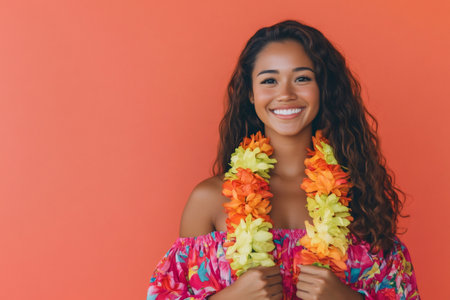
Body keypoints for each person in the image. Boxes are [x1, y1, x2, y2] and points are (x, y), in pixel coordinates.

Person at [146, 20, 420, 299]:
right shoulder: (209, 199)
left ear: (322, 89)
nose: (286, 94)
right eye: (269, 81)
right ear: (251, 94)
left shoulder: (359, 193)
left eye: (302, 78)